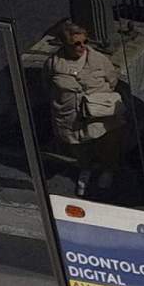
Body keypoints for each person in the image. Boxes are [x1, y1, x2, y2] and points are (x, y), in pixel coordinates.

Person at [44, 20, 125, 197]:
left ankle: (108, 170)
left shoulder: (99, 60)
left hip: (98, 112)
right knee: (79, 147)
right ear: (65, 44)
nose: (82, 47)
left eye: (84, 42)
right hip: (70, 115)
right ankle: (85, 169)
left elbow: (112, 80)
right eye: (76, 44)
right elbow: (48, 84)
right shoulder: (53, 64)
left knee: (106, 144)